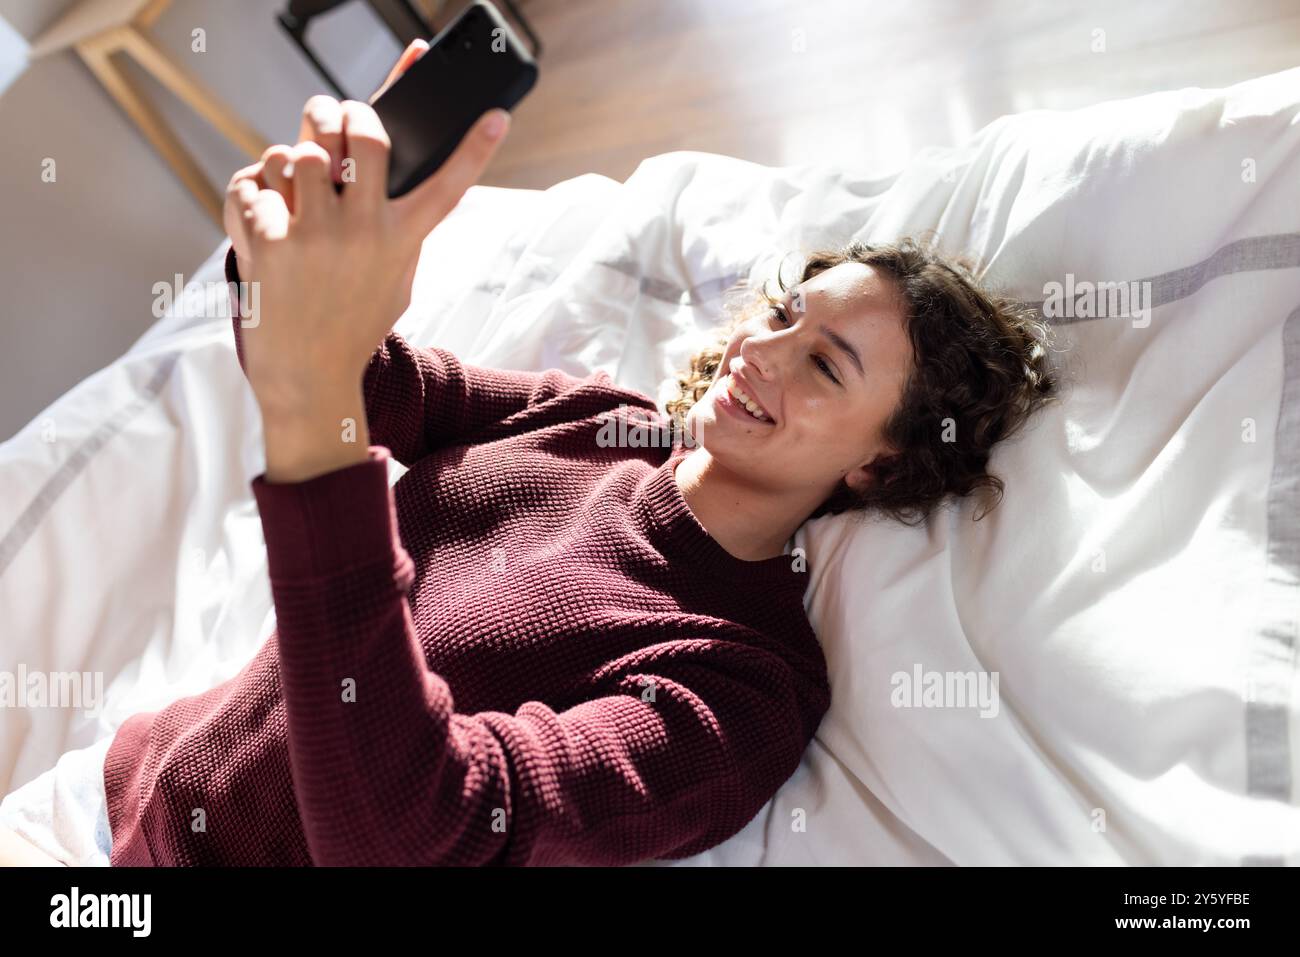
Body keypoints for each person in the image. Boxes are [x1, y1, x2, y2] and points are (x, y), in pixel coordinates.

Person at [1, 40, 1056, 867]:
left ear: (881, 464)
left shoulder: (738, 688)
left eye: (824, 365)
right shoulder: (598, 419)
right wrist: (295, 247)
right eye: (781, 312)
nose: (761, 352)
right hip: (104, 792)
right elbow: (362, 382)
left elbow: (413, 836)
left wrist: (313, 420)